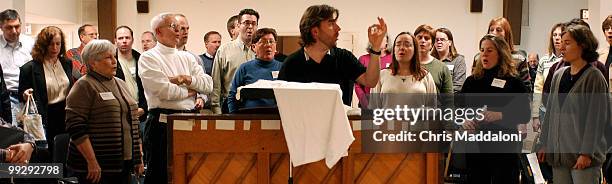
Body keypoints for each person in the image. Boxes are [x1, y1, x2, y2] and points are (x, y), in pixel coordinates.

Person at [138, 12, 213, 183]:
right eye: (173, 26)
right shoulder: (149, 57)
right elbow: (163, 91)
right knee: (160, 173)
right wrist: (191, 91)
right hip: (162, 122)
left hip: (190, 118)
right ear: (158, 32)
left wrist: (184, 79)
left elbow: (208, 85)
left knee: (192, 172)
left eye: (180, 27)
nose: (179, 30)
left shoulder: (187, 57)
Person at [65, 39, 144, 184]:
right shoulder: (84, 85)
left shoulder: (120, 83)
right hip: (96, 167)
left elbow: (133, 121)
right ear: (93, 62)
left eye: (114, 56)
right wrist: (92, 161)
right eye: (108, 57)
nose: (115, 61)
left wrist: (138, 158)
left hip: (123, 164)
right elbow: (75, 127)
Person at [537, 25, 609, 184]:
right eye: (561, 42)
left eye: (567, 43)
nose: (561, 47)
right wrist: (543, 143)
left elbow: (596, 120)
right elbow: (550, 113)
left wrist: (586, 153)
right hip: (560, 155)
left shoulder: (594, 77)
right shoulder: (558, 75)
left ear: (582, 45)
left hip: (583, 158)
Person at [278, 4, 387, 106]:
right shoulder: (291, 64)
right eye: (331, 24)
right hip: (303, 126)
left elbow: (370, 81)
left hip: (339, 126)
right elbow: (281, 103)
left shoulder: (344, 58)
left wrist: (376, 48)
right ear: (315, 31)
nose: (338, 28)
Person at [460, 34, 530, 183]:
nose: (484, 54)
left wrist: (500, 114)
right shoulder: (471, 82)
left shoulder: (513, 82)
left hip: (504, 146)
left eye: (489, 50)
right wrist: (464, 121)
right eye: (482, 50)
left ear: (501, 53)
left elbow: (525, 113)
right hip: (476, 145)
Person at [18, 26, 74, 160]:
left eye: (58, 44)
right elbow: (21, 93)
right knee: (46, 153)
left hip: (65, 113)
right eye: (50, 44)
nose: (55, 48)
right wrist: (25, 94)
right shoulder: (29, 68)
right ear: (43, 45)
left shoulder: (67, 63)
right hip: (44, 114)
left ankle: (63, 179)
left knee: (65, 151)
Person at [211, 9, 259, 114]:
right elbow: (216, 84)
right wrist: (216, 111)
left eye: (253, 24)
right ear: (238, 25)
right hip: (230, 105)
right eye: (246, 23)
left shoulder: (261, 50)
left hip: (255, 107)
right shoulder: (224, 50)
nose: (250, 27)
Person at [228, 28, 282, 113]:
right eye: (263, 42)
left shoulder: (283, 68)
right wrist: (235, 119)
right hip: (250, 118)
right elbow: (232, 96)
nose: (268, 45)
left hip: (277, 119)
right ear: (254, 47)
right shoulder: (244, 68)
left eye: (271, 41)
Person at [473, 17, 532, 92]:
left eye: (498, 30)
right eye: (491, 30)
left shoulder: (519, 58)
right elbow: (474, 82)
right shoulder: (478, 57)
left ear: (506, 34)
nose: (494, 33)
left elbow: (527, 89)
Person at [0, 9, 34, 125]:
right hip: (6, 99)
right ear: (1, 27)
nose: (14, 31)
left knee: (35, 136)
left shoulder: (30, 43)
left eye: (17, 26)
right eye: (9, 27)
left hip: (28, 97)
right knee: (13, 135)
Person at [531, 23, 565, 132]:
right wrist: (535, 116)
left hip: (563, 111)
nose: (557, 38)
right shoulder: (544, 60)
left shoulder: (570, 59)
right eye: (554, 35)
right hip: (544, 110)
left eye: (560, 35)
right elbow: (538, 88)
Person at [355, 33, 392, 108]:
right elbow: (357, 85)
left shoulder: (394, 60)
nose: (378, 39)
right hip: (367, 103)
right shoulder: (363, 59)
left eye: (381, 37)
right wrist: (365, 103)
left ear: (387, 41)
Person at [414, 25, 453, 94]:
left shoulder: (442, 68)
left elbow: (448, 100)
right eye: (419, 37)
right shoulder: (406, 65)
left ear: (432, 44)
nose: (422, 40)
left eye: (426, 38)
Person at [432, 27, 466, 93]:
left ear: (450, 42)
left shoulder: (458, 60)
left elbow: (458, 86)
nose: (439, 42)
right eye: (437, 40)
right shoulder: (430, 60)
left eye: (442, 40)